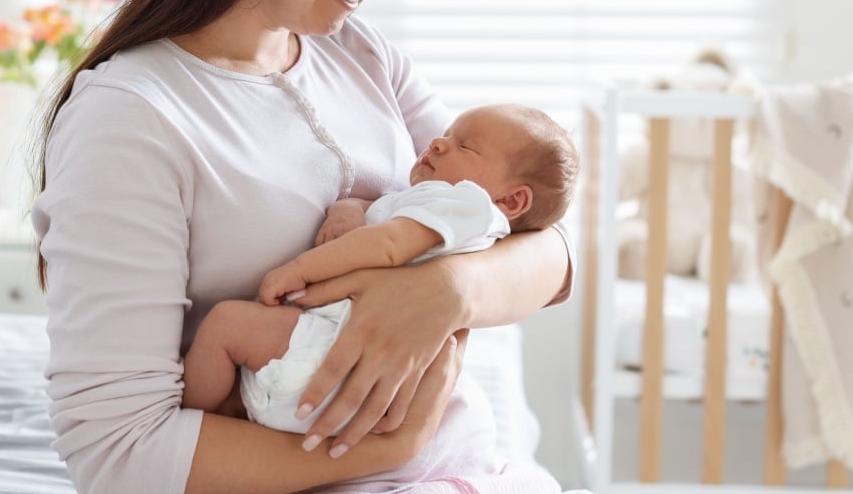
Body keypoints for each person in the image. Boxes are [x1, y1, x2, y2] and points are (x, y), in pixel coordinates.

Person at [29, 0, 576, 492]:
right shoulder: (133, 118)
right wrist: (388, 450)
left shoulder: (364, 57)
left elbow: (554, 251)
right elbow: (119, 454)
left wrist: (447, 292)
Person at [182, 104, 579, 435]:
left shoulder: (467, 205)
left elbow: (388, 245)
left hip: (334, 350)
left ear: (511, 201)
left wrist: (298, 270)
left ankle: (187, 423)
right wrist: (350, 208)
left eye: (465, 146)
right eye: (445, 133)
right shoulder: (446, 214)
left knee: (225, 326)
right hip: (348, 377)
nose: (437, 143)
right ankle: (227, 417)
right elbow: (384, 220)